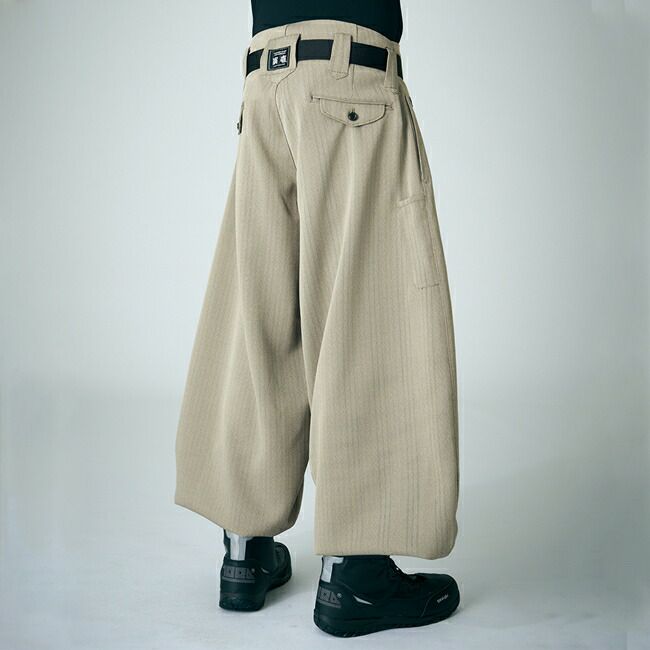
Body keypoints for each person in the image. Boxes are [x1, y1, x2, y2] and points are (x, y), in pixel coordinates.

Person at [174, 0, 460, 637]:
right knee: (371, 313)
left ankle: (244, 551)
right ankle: (356, 575)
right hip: (348, 74)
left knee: (259, 306)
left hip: (265, 74)